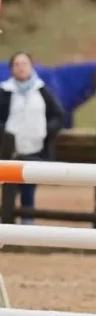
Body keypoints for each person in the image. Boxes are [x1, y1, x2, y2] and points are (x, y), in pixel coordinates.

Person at [0, 52, 64, 223]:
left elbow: (58, 115)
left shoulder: (42, 91)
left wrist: (45, 131)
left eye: (24, 64)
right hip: (9, 151)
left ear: (31, 67)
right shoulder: (5, 91)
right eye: (17, 64)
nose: (21, 68)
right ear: (11, 69)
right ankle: (6, 225)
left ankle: (27, 225)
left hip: (34, 149)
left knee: (28, 190)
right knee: (8, 191)